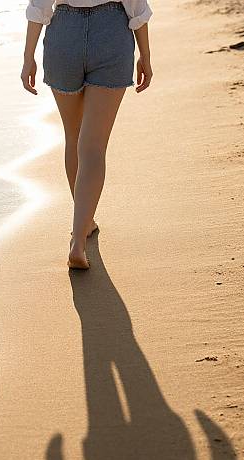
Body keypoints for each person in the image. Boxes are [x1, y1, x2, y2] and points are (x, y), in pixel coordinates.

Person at [21, 0, 153, 269]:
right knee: (93, 147)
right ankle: (79, 238)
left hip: (64, 34)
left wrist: (28, 58)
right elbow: (136, 6)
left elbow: (39, 6)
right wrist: (145, 57)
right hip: (112, 33)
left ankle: (83, 225)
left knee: (74, 136)